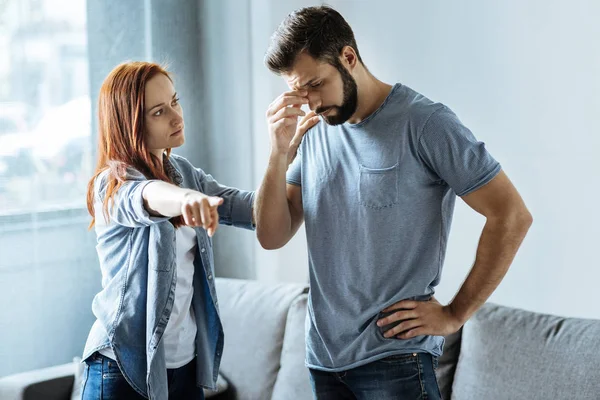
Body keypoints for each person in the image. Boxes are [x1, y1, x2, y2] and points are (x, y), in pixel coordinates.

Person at [255, 6, 533, 399]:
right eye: (300, 92)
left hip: (395, 358)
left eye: (316, 83)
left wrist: (454, 315)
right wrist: (277, 153)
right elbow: (272, 235)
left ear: (348, 57)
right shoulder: (314, 130)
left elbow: (512, 215)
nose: (312, 103)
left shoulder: (425, 123)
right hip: (324, 360)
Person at [80, 61, 260, 399]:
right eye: (159, 112)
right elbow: (146, 195)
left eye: (175, 102)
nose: (177, 117)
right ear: (130, 124)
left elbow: (252, 209)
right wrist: (186, 199)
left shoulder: (183, 171)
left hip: (185, 367)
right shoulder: (111, 185)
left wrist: (283, 151)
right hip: (122, 368)